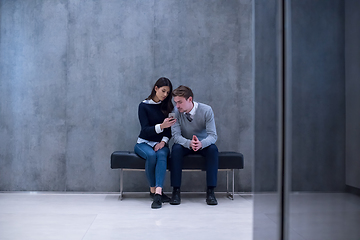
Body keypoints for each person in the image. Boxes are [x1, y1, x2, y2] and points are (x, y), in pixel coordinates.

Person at [170, 85, 219, 205]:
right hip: (185, 144)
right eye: (175, 102)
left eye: (180, 102)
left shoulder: (207, 110)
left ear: (190, 99)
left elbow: (213, 136)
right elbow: (176, 136)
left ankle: (211, 191)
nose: (177, 106)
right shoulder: (173, 113)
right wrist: (189, 143)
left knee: (213, 149)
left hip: (202, 144)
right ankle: (176, 191)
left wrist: (201, 143)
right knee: (175, 149)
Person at [134, 77, 177, 209]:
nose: (165, 95)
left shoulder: (168, 106)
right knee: (151, 156)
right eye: (163, 91)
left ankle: (158, 193)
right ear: (156, 88)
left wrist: (163, 142)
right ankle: (152, 190)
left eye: (167, 93)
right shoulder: (143, 106)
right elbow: (145, 130)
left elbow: (169, 131)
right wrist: (161, 126)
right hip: (143, 143)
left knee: (161, 155)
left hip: (161, 143)